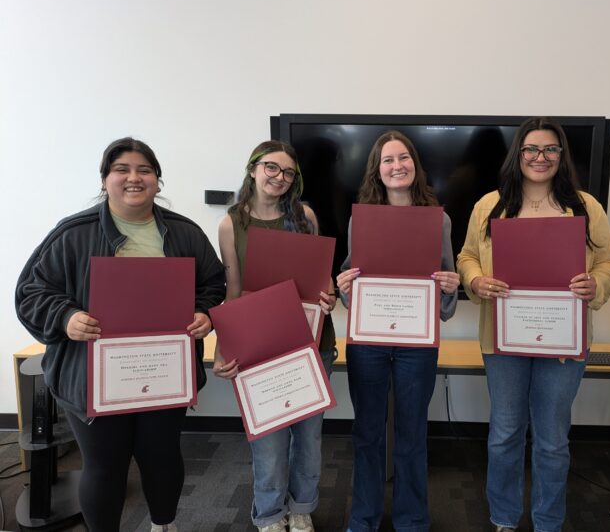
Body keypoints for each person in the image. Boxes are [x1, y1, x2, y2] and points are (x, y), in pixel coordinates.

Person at [15, 138, 226, 532]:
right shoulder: (72, 233)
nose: (134, 177)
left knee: (162, 456)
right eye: (122, 169)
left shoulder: (184, 232)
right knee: (105, 465)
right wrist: (66, 317)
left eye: (145, 170)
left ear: (158, 182)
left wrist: (205, 314)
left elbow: (214, 284)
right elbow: (30, 293)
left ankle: (164, 524)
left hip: (164, 372)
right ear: (105, 179)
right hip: (92, 376)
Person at [457, 117, 610, 532]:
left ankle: (548, 522)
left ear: (561, 156)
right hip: (502, 339)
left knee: (552, 440)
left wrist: (595, 284)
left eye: (550, 150)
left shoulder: (585, 206)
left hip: (564, 341)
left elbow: (609, 261)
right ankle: (504, 519)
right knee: (505, 434)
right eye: (531, 149)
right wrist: (476, 280)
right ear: (519, 154)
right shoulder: (488, 205)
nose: (540, 157)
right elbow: (466, 257)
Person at [336, 130, 459, 532]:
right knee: (367, 433)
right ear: (378, 169)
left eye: (403, 158)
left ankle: (412, 520)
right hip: (368, 343)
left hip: (417, 345)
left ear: (414, 164)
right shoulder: (361, 218)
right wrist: (345, 287)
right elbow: (353, 282)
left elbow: (445, 297)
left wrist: (450, 287)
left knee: (412, 433)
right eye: (387, 160)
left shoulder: (438, 219)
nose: (396, 166)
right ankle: (364, 517)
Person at [212, 140, 337, 532]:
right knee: (266, 442)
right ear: (253, 169)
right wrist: (224, 347)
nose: (279, 178)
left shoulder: (306, 217)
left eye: (288, 172)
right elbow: (232, 291)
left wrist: (329, 296)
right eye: (271, 167)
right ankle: (269, 514)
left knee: (309, 438)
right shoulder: (231, 223)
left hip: (312, 343)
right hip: (258, 345)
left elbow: (321, 282)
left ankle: (301, 507)